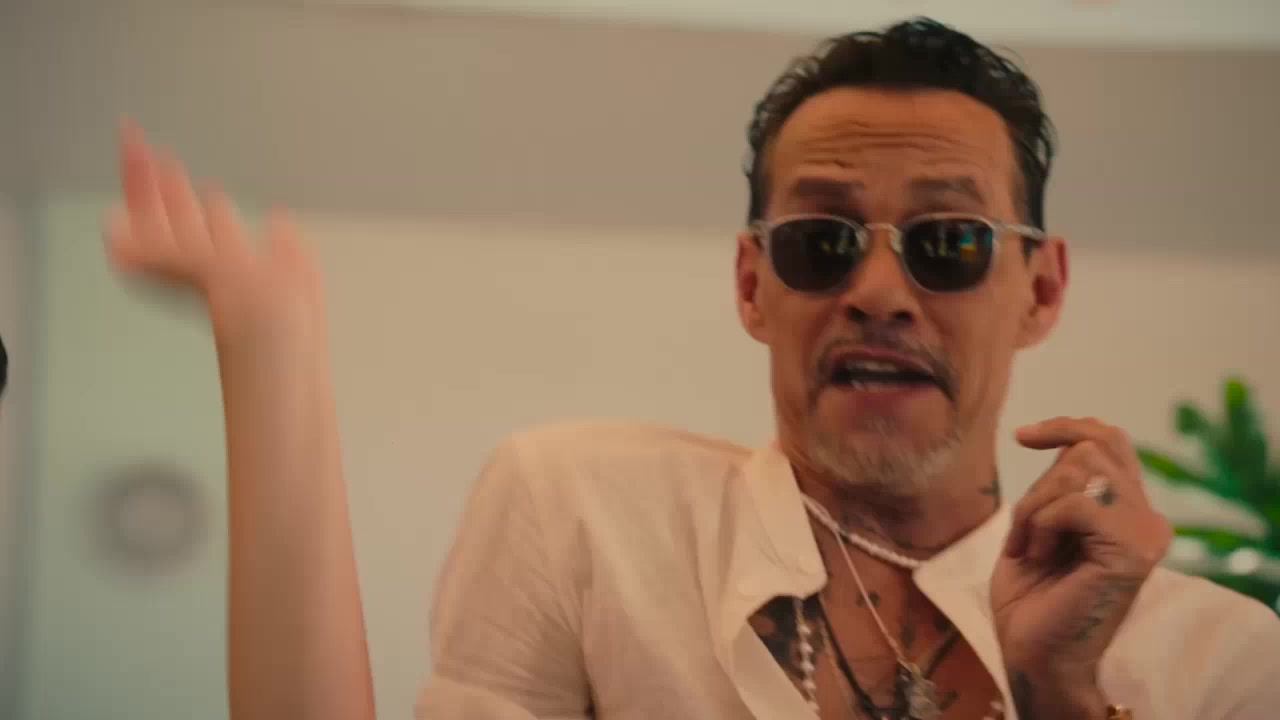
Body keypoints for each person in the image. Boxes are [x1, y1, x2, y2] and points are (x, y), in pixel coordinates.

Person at [105, 17, 1279, 720]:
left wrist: (1061, 697)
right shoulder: (584, 516)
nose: (878, 291)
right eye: (819, 241)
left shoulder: (1222, 659)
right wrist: (268, 344)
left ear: (1041, 288)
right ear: (751, 284)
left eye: (947, 242)